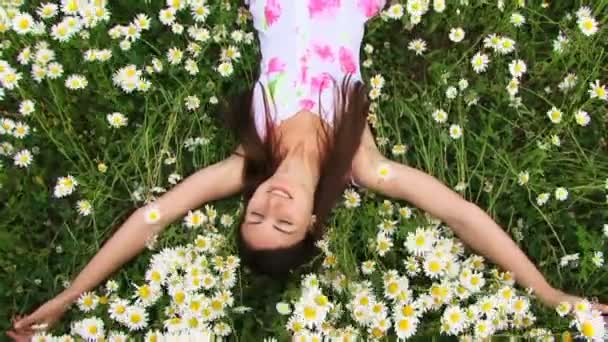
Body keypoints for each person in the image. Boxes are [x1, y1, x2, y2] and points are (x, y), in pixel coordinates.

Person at [8, 0, 608, 340]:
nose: (271, 201)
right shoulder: (363, 164)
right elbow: (460, 214)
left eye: (256, 214)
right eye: (284, 222)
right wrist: (551, 295)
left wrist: (68, 297)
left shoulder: (248, 158)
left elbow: (151, 217)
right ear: (313, 226)